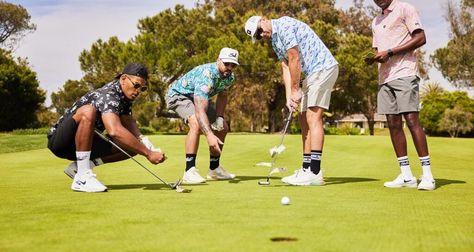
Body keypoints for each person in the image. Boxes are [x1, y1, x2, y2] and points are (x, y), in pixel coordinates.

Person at [244, 15, 338, 186]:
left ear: (264, 19)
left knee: (312, 118)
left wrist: (296, 89)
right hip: (311, 75)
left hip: (323, 68)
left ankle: (315, 172)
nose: (261, 35)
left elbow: (294, 57)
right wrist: (289, 96)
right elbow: (286, 67)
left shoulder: (285, 24)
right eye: (257, 36)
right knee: (303, 119)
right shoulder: (275, 41)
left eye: (259, 30)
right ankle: (306, 168)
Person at [47, 63, 166, 192]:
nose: (138, 91)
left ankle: (79, 167)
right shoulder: (109, 94)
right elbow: (114, 131)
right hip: (61, 142)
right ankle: (82, 177)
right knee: (88, 111)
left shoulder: (125, 98)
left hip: (84, 143)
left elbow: (127, 120)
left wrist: (144, 141)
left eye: (142, 88)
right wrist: (148, 154)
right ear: (123, 79)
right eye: (136, 85)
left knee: (133, 146)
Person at [365, 0, 435, 191]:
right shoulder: (375, 22)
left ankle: (428, 176)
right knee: (393, 125)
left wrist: (392, 52)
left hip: (405, 74)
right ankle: (406, 175)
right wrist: (375, 57)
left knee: (412, 121)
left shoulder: (406, 9)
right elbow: (380, 50)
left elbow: (421, 38)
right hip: (385, 78)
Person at [166, 47, 239, 184]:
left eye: (233, 65)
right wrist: (210, 135)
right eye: (226, 63)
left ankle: (214, 169)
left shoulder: (230, 77)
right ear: (218, 60)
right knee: (196, 123)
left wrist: (219, 118)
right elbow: (200, 110)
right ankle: (189, 170)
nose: (229, 67)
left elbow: (223, 96)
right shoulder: (207, 75)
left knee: (223, 128)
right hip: (178, 95)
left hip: (198, 97)